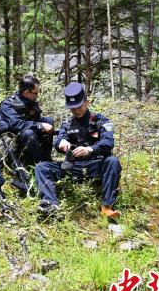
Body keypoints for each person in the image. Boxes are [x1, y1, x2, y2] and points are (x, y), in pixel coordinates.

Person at [34, 82, 121, 219]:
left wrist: (90, 150)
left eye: (79, 107)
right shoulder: (68, 124)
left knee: (113, 161)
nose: (76, 111)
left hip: (96, 165)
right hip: (73, 166)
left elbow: (108, 142)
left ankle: (107, 207)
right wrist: (61, 143)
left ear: (86, 102)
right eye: (72, 108)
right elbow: (59, 140)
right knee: (42, 167)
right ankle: (50, 204)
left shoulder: (100, 120)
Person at [0, 75, 55, 166]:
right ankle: (38, 165)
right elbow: (17, 125)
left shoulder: (30, 101)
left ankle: (46, 158)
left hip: (31, 133)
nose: (37, 95)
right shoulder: (7, 105)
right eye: (35, 93)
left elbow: (36, 118)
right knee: (28, 133)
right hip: (15, 139)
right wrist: (40, 126)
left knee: (47, 120)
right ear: (26, 92)